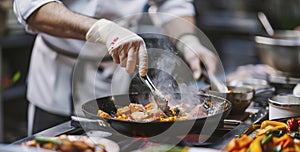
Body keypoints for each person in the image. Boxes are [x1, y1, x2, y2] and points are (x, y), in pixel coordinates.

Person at [13, 0, 218, 135]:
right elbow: (31, 7)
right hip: (58, 75)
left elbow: (172, 4)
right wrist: (101, 30)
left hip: (117, 73)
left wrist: (187, 41)